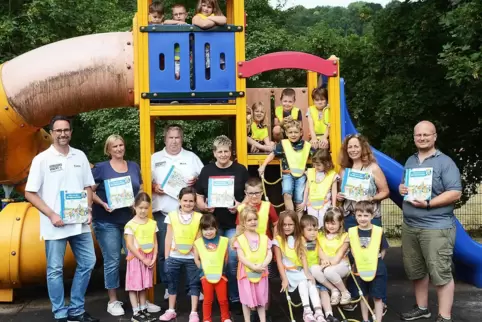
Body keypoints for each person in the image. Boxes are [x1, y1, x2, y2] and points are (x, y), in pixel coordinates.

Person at [25, 115, 98, 322]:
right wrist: (51, 214)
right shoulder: (41, 159)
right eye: (58, 131)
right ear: (51, 133)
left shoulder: (80, 156)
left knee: (88, 262)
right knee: (55, 269)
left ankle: (76, 309)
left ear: (71, 132)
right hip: (54, 225)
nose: (63, 134)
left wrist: (89, 209)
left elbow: (87, 186)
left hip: (80, 223)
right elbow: (30, 192)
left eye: (66, 130)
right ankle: (60, 313)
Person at [399, 121, 461, 322]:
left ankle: (444, 316)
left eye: (426, 134)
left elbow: (455, 192)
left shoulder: (445, 162)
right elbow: (407, 187)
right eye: (418, 135)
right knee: (416, 270)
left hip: (436, 227)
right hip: (411, 226)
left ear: (434, 137)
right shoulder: (411, 160)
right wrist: (403, 189)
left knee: (440, 272)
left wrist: (428, 203)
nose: (422, 138)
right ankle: (422, 308)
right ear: (414, 137)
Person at [91, 134, 150, 316]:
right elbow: (89, 191)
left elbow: (139, 188)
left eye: (121, 145)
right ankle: (113, 301)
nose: (118, 149)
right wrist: (102, 203)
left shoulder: (133, 166)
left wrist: (135, 202)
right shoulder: (101, 168)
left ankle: (141, 301)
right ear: (108, 150)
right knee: (113, 260)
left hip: (130, 221)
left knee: (136, 257)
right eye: (114, 146)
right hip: (106, 220)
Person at [196, 135, 249, 307]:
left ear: (231, 152)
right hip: (213, 225)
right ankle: (215, 297)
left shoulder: (241, 170)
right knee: (213, 260)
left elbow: (250, 195)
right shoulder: (206, 170)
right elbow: (198, 196)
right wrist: (204, 206)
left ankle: (234, 297)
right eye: (220, 151)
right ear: (214, 152)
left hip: (234, 223)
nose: (224, 155)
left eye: (226, 151)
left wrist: (240, 206)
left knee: (233, 260)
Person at [151, 124, 204, 300]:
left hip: (188, 215)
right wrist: (153, 186)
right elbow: (145, 181)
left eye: (177, 137)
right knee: (163, 253)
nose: (174, 141)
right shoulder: (154, 158)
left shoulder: (191, 157)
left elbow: (203, 180)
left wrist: (196, 180)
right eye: (171, 137)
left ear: (182, 139)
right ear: (165, 139)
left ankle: (193, 288)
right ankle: (168, 287)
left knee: (193, 251)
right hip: (163, 214)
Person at [236, 177, 278, 322]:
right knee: (249, 280)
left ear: (262, 192)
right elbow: (238, 227)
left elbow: (276, 223)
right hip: (247, 249)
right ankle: (252, 311)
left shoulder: (268, 206)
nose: (254, 196)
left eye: (257, 193)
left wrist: (275, 241)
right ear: (246, 193)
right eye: (251, 193)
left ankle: (265, 311)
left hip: (264, 248)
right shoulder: (242, 208)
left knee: (266, 280)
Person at [159, 187, 202, 322]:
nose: (188, 203)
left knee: (194, 283)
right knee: (172, 283)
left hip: (191, 258)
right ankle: (171, 310)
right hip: (174, 256)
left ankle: (193, 312)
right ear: (179, 200)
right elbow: (168, 238)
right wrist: (167, 258)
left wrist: (197, 257)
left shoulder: (199, 217)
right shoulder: (171, 216)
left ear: (195, 203)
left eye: (191, 201)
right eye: (185, 200)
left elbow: (199, 239)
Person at [272, 210, 321, 322]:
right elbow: (279, 261)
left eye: (290, 224)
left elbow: (303, 256)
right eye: (284, 224)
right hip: (289, 273)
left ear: (295, 225)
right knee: (303, 283)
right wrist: (284, 279)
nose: (287, 227)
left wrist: (307, 272)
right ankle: (307, 311)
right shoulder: (278, 241)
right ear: (280, 225)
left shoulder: (299, 238)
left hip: (300, 270)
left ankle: (319, 312)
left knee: (311, 283)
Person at [259, 120, 312, 217]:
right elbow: (272, 154)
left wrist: (311, 172)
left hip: (301, 176)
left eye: (296, 132)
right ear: (286, 133)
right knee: (287, 194)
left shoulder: (306, 145)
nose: (293, 135)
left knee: (299, 201)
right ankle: (292, 218)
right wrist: (263, 165)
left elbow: (317, 157)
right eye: (290, 132)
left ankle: (298, 224)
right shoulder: (283, 144)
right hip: (287, 174)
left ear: (301, 133)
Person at [337, 134, 390, 230]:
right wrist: (339, 197)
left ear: (363, 148)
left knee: (372, 245)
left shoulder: (373, 168)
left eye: (356, 146)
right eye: (350, 147)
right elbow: (340, 193)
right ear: (346, 150)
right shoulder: (343, 170)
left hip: (370, 217)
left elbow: (385, 192)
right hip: (349, 218)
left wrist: (372, 198)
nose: (353, 150)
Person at [348, 201, 389, 322]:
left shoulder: (378, 231)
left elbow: (383, 249)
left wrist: (375, 260)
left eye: (366, 215)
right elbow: (349, 248)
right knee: (363, 297)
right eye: (359, 215)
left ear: (372, 215)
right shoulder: (351, 232)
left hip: (377, 269)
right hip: (359, 269)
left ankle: (378, 320)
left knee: (378, 297)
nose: (362, 218)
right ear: (355, 215)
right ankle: (365, 319)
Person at [232, 206, 273, 322]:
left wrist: (262, 265)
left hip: (261, 271)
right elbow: (241, 256)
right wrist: (252, 266)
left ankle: (263, 319)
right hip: (245, 272)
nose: (253, 222)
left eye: (255, 219)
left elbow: (269, 253)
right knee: (246, 298)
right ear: (243, 223)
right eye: (249, 220)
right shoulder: (240, 239)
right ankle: (247, 320)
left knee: (261, 297)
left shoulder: (264, 238)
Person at [124, 192, 158, 322]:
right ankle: (136, 312)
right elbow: (130, 245)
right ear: (135, 207)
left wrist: (153, 257)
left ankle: (143, 309)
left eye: (146, 208)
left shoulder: (152, 223)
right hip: (136, 259)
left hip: (148, 258)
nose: (143, 211)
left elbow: (155, 242)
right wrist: (143, 258)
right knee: (134, 285)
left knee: (143, 285)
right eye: (140, 208)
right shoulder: (131, 225)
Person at [193, 214, 232, 322]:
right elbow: (196, 258)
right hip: (205, 276)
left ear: (216, 228)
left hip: (221, 275)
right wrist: (203, 269)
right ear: (201, 230)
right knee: (208, 299)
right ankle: (206, 319)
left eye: (211, 229)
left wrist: (221, 269)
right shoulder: (198, 243)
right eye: (205, 229)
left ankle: (225, 317)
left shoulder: (223, 241)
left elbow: (226, 257)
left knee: (223, 299)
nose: (208, 232)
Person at [300, 215, 339, 322]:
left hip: (317, 271)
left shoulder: (317, 241)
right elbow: (302, 258)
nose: (313, 232)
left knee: (323, 291)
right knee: (316, 291)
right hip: (307, 272)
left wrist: (324, 259)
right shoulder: (301, 241)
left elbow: (320, 252)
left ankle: (329, 314)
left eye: (315, 229)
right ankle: (319, 314)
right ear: (302, 230)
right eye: (309, 230)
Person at [317, 208, 351, 306]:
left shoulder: (345, 236)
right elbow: (319, 250)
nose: (330, 226)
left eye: (333, 223)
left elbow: (339, 256)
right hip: (325, 263)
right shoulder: (320, 235)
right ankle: (334, 290)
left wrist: (327, 264)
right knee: (314, 269)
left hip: (341, 264)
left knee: (328, 271)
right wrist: (324, 260)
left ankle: (345, 292)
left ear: (340, 223)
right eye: (327, 223)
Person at [303, 149, 338, 227]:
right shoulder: (311, 172)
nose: (316, 167)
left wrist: (334, 205)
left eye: (318, 165)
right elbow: (306, 189)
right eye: (314, 164)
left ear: (326, 163)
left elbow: (334, 191)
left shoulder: (332, 175)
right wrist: (304, 202)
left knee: (324, 223)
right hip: (311, 204)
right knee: (312, 224)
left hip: (325, 204)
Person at [163, 4, 188, 80]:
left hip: (186, 57)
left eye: (181, 14)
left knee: (185, 76)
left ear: (186, 15)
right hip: (174, 58)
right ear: (173, 16)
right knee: (176, 76)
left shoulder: (189, 26)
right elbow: (165, 22)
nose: (178, 16)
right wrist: (177, 23)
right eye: (175, 14)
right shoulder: (171, 26)